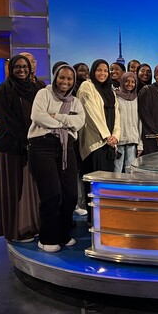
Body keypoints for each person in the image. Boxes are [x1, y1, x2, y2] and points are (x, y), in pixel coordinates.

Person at [28, 64, 85, 252]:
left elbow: (80, 121)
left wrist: (57, 117)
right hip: (42, 146)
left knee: (70, 195)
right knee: (52, 194)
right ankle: (47, 238)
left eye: (69, 79)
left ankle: (63, 233)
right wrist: (65, 124)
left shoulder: (75, 101)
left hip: (66, 147)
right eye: (62, 77)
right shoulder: (43, 94)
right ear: (55, 76)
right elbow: (37, 116)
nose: (65, 82)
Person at [0, 54, 40, 243]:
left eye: (25, 66)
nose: (21, 70)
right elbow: (4, 119)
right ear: (11, 69)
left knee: (31, 188)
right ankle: (16, 230)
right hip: (12, 147)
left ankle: (33, 224)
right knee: (15, 189)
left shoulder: (36, 88)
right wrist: (25, 139)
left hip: (32, 145)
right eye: (17, 67)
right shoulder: (4, 89)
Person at [77, 59, 121, 220]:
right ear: (93, 72)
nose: (102, 73)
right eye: (99, 70)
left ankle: (105, 219)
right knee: (94, 184)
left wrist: (116, 135)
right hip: (94, 143)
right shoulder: (86, 87)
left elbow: (117, 114)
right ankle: (94, 221)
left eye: (105, 70)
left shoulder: (110, 90)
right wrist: (106, 135)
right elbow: (90, 113)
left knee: (106, 184)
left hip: (109, 144)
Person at [113, 72, 142, 172]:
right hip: (119, 140)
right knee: (117, 169)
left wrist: (140, 143)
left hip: (133, 140)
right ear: (122, 82)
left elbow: (139, 121)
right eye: (127, 81)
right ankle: (115, 188)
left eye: (133, 82)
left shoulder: (137, 99)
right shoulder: (116, 97)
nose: (130, 84)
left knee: (130, 170)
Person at [71, 62, 89, 216]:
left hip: (86, 135)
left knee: (83, 170)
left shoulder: (89, 88)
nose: (85, 72)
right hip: (74, 136)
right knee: (76, 171)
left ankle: (81, 202)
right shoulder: (72, 90)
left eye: (86, 70)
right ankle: (77, 203)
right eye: (81, 69)